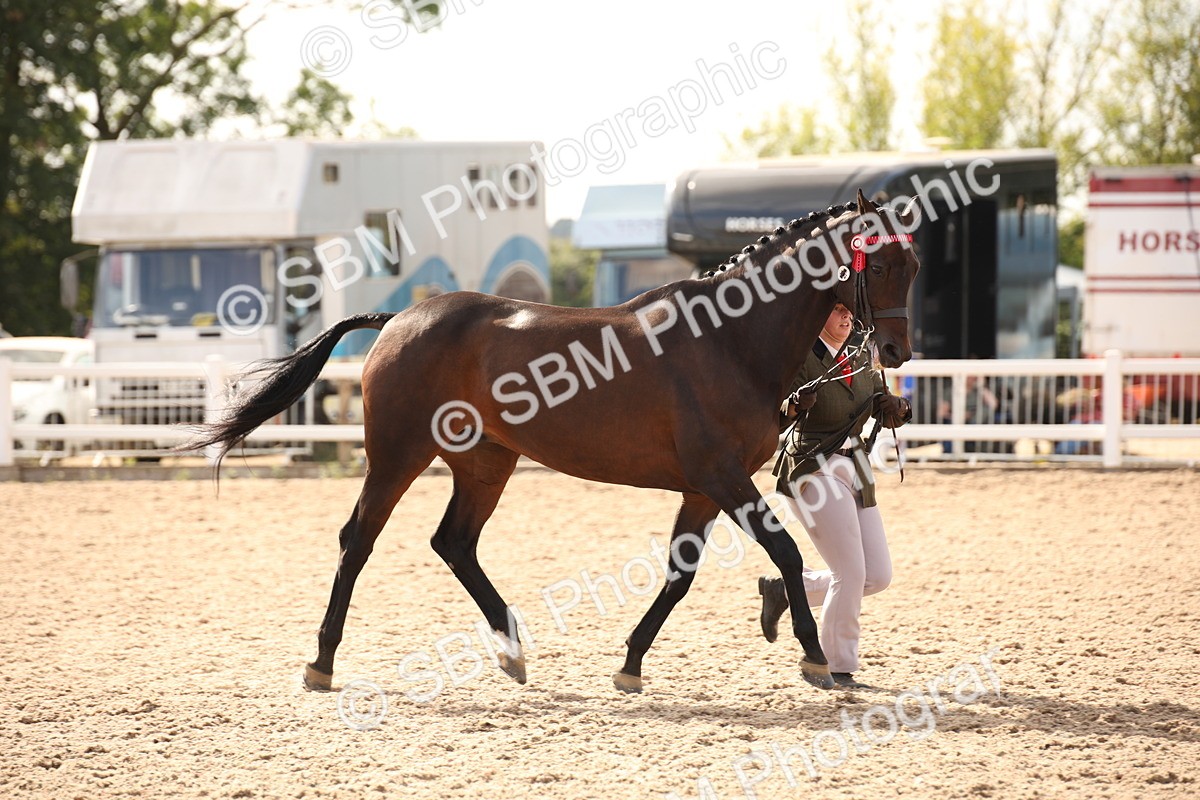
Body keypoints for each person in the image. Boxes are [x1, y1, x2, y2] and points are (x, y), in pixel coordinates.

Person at [759, 301, 911, 689]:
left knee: (876, 576)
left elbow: (880, 401)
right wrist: (792, 407)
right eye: (838, 311)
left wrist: (895, 408)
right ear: (818, 314)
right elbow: (770, 414)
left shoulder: (861, 351)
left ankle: (788, 591)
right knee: (851, 572)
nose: (847, 318)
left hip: (854, 467)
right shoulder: (798, 353)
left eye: (849, 313)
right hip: (812, 467)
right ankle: (833, 664)